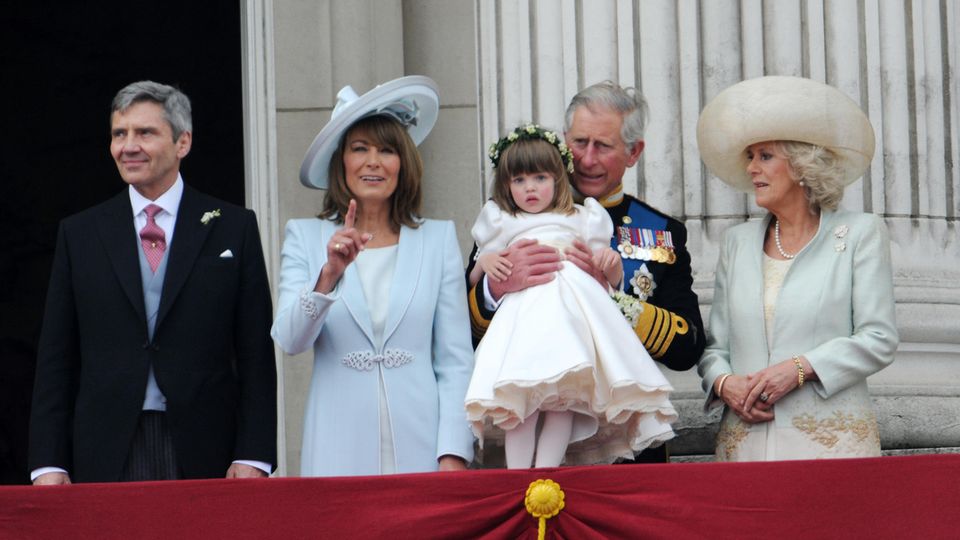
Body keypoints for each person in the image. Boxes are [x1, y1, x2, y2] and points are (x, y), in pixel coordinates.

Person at [28, 81, 277, 483]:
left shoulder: (234, 227)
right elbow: (56, 356)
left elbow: (255, 352)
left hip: (207, 445)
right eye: (119, 134)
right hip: (104, 446)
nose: (128, 145)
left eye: (144, 133)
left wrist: (255, 453)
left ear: (183, 142)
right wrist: (48, 462)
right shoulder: (80, 234)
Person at [465, 81, 705, 463]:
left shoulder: (658, 232)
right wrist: (496, 288)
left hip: (621, 459)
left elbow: (687, 347)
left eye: (603, 146)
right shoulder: (509, 217)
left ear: (634, 152)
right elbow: (461, 328)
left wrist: (610, 301)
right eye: (579, 143)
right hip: (523, 439)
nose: (587, 159)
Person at [271, 76, 475, 476]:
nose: (373, 162)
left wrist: (453, 451)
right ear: (340, 161)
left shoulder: (437, 238)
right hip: (336, 445)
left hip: (423, 446)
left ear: (404, 163)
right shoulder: (305, 235)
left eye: (386, 150)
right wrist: (328, 276)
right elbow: (290, 340)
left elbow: (455, 359)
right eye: (359, 149)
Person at [695, 75, 899, 461]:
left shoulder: (860, 234)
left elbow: (879, 338)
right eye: (750, 156)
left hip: (831, 447)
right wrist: (724, 383)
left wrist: (801, 368)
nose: (752, 168)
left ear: (802, 165)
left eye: (765, 156)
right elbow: (715, 348)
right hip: (745, 449)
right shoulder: (737, 243)